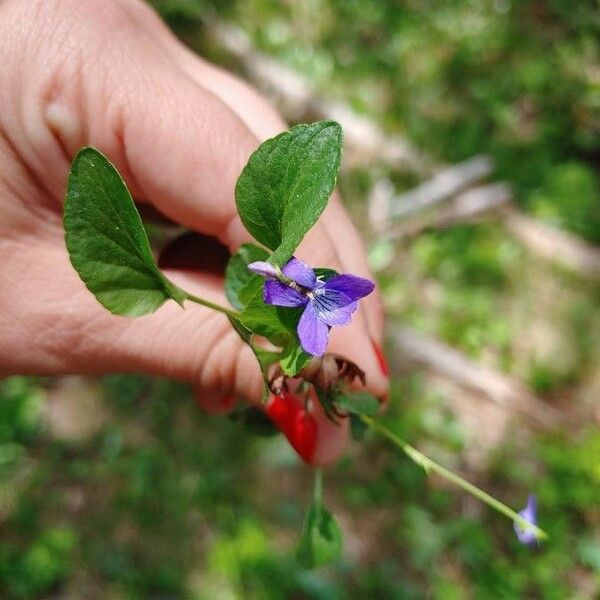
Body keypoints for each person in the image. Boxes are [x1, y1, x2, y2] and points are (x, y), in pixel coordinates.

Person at [0, 0, 388, 465]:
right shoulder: (297, 300)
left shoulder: (307, 305)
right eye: (305, 285)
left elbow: (321, 292)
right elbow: (283, 284)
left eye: (309, 286)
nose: (312, 287)